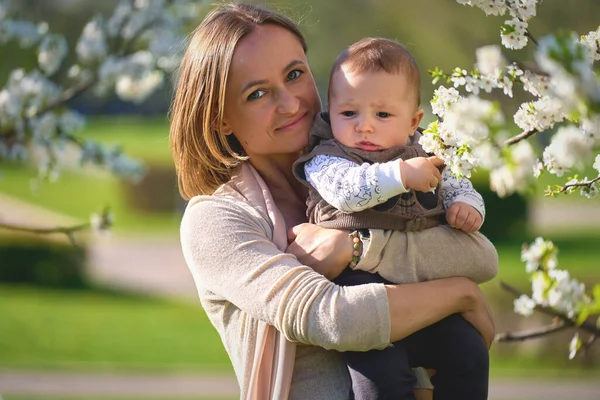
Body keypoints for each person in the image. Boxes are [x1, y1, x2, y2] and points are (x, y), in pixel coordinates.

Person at [170, 3, 494, 400]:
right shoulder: (216, 219)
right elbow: (333, 318)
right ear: (221, 119)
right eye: (257, 93)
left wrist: (355, 248)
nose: (290, 103)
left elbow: (479, 257)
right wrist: (461, 294)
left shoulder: (380, 164)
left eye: (294, 74)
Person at [292, 37, 498, 399]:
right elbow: (347, 192)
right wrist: (400, 175)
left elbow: (458, 186)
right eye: (349, 113)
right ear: (330, 113)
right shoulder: (326, 159)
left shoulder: (427, 151)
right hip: (359, 295)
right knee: (382, 379)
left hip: (422, 292)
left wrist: (467, 207)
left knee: (467, 350)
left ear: (413, 121)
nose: (364, 126)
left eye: (382, 114)